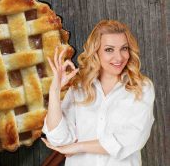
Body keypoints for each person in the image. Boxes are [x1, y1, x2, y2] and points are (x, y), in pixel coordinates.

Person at [41, 20, 155, 166]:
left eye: (124, 48)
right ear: (96, 51)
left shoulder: (142, 87)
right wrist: (54, 91)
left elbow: (132, 138)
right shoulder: (79, 87)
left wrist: (79, 146)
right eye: (109, 49)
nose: (119, 57)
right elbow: (59, 139)